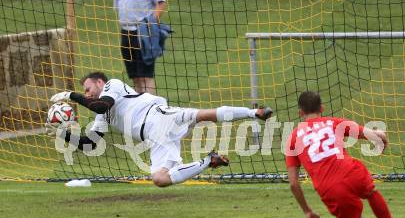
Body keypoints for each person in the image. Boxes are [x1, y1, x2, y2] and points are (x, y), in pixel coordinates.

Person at [46, 72, 273, 187]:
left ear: (99, 82)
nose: (86, 94)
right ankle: (209, 161)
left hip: (159, 116)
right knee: (160, 179)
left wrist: (71, 95)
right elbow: (90, 144)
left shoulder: (112, 86)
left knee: (205, 115)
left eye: (87, 89)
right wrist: (62, 133)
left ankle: (255, 113)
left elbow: (101, 103)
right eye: (83, 92)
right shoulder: (101, 114)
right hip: (156, 138)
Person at [285, 91, 400, 218]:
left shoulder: (293, 138)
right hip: (351, 171)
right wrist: (381, 137)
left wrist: (308, 211)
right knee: (371, 192)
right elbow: (370, 134)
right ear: (322, 108)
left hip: (330, 189)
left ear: (300, 112)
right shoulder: (334, 122)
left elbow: (294, 184)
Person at [114, 0, 167, 94]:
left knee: (145, 77)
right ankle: (139, 108)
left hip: (143, 33)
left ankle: (150, 108)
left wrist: (149, 25)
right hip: (125, 33)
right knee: (135, 77)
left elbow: (161, 3)